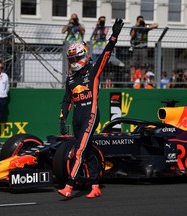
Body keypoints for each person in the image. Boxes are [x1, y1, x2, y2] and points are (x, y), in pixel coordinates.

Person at [58, 18, 124, 199]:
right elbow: (67, 100)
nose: (73, 61)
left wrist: (113, 37)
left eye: (76, 57)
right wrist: (62, 118)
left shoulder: (92, 72)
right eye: (71, 58)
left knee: (79, 151)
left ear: (84, 56)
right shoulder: (70, 79)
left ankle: (68, 186)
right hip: (77, 115)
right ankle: (95, 186)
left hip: (91, 113)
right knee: (85, 152)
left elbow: (105, 56)